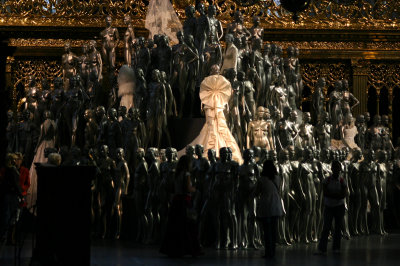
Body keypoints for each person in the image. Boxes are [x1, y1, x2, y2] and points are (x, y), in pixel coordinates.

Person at [160, 155, 202, 257]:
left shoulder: (177, 174)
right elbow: (187, 188)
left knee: (175, 226)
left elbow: (173, 187)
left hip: (176, 201)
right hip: (184, 201)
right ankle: (191, 249)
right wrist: (195, 189)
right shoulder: (186, 174)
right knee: (188, 226)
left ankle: (174, 248)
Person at [316, 160, 348, 255]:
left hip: (339, 206)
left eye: (338, 168)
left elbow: (344, 194)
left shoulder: (342, 180)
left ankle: (336, 247)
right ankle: (322, 248)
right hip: (329, 206)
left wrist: (333, 195)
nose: (336, 170)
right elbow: (325, 193)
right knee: (326, 227)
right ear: (332, 169)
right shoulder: (327, 180)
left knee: (338, 228)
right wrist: (336, 195)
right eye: (335, 168)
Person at [254, 160, 284, 259]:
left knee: (267, 232)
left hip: (266, 207)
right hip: (276, 206)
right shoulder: (277, 178)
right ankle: (273, 252)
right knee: (273, 231)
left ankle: (268, 252)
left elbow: (256, 192)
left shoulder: (261, 179)